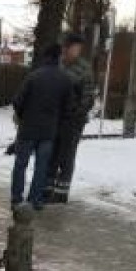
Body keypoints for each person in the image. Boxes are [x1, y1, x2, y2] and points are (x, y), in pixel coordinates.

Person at [10, 43, 73, 211]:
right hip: (48, 131)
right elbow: (68, 109)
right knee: (42, 166)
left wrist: (24, 117)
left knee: (20, 164)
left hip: (28, 129)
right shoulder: (65, 79)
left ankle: (16, 199)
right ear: (59, 57)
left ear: (45, 57)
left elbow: (17, 101)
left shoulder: (33, 76)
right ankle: (35, 200)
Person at [46, 31, 95, 203]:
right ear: (65, 48)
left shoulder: (84, 68)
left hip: (73, 121)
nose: (75, 52)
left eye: (78, 48)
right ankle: (47, 189)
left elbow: (88, 97)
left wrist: (75, 114)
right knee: (52, 154)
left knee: (67, 156)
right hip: (55, 119)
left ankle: (61, 193)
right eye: (72, 48)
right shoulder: (57, 65)